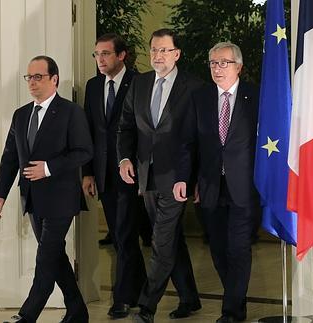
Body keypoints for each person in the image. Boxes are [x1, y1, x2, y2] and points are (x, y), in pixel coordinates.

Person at [0, 55, 93, 323]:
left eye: (38, 77)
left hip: (61, 198)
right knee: (55, 256)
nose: (32, 82)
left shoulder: (71, 112)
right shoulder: (21, 114)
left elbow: (84, 152)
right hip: (33, 199)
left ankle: (26, 316)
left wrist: (48, 167)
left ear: (54, 79)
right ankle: (78, 311)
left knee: (45, 258)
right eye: (29, 77)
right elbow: (10, 157)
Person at [173, 42, 261, 323]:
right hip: (210, 186)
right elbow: (187, 142)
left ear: (239, 67)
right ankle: (237, 299)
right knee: (218, 248)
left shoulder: (256, 96)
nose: (218, 68)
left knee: (238, 247)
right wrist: (184, 179)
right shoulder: (200, 97)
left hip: (245, 185)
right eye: (213, 63)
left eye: (224, 63)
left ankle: (231, 312)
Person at [118, 28, 202, 323]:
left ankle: (146, 308)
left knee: (161, 243)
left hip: (177, 178)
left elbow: (198, 139)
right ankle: (190, 298)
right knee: (169, 239)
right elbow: (127, 126)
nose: (158, 55)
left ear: (177, 54)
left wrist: (191, 179)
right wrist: (125, 158)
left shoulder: (193, 87)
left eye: (164, 50)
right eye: (154, 49)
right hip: (146, 176)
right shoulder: (139, 83)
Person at [81, 33, 147, 319]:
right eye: (97, 54)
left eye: (106, 54)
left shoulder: (140, 83)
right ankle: (142, 288)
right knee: (124, 237)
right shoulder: (93, 86)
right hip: (102, 173)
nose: (100, 60)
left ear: (122, 55)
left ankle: (121, 299)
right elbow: (88, 134)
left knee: (123, 232)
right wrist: (87, 173)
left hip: (130, 171)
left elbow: (144, 129)